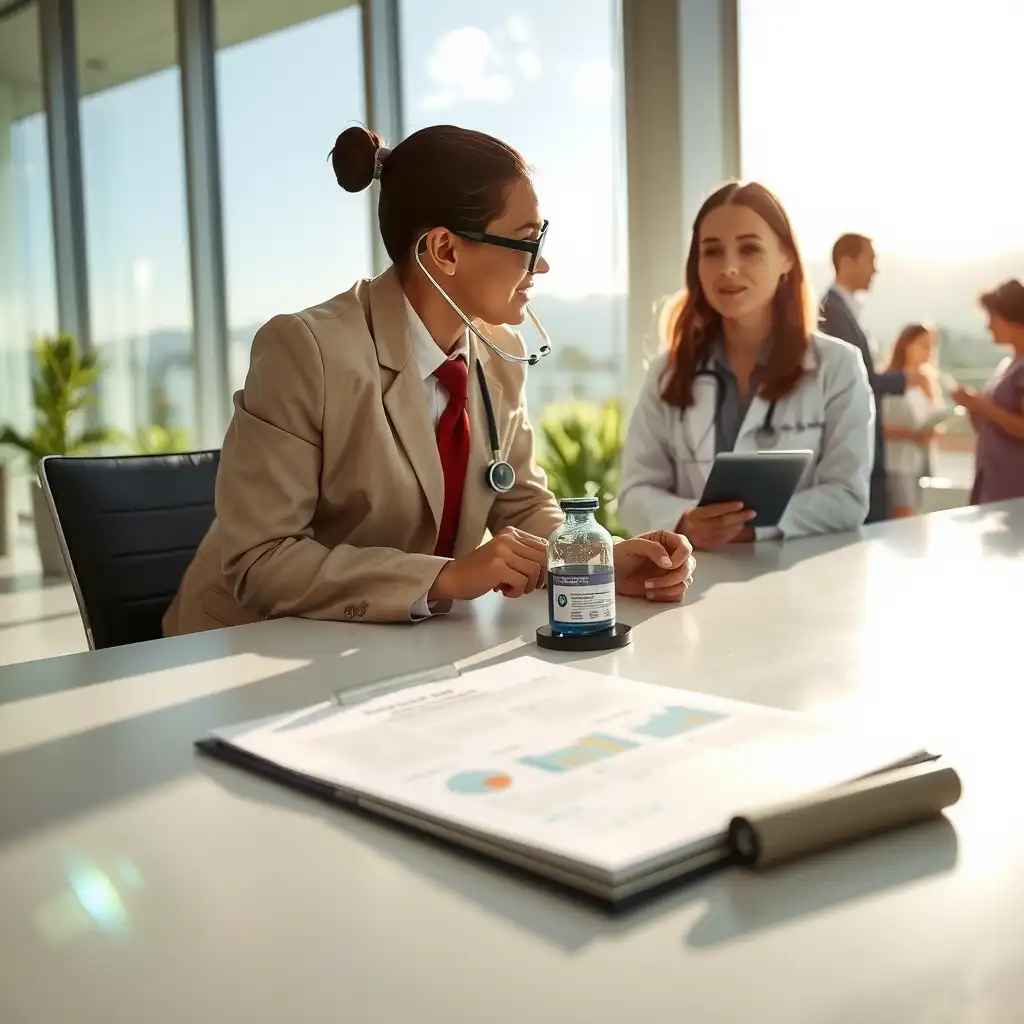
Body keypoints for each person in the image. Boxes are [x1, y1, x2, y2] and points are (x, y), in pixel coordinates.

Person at [163, 124, 695, 636]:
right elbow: (261, 560)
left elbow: (522, 501)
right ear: (444, 250)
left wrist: (592, 561)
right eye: (527, 241)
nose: (543, 264)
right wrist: (444, 577)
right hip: (247, 652)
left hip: (390, 648)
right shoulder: (306, 352)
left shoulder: (499, 352)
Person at [617, 181, 874, 549]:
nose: (730, 269)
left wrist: (752, 526)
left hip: (796, 583)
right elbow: (633, 494)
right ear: (697, 266)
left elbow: (848, 498)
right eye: (713, 252)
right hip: (692, 582)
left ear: (786, 258)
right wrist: (685, 521)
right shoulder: (668, 372)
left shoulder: (837, 366)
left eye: (749, 249)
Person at [819, 234, 929, 522]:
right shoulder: (832, 312)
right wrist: (903, 380)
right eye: (871, 261)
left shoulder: (847, 310)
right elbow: (854, 381)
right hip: (848, 445)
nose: (875, 270)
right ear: (847, 262)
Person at [947, 279, 1024, 506]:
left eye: (992, 318)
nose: (988, 326)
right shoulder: (1008, 364)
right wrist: (973, 408)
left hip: (1014, 488)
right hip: (993, 482)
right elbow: (992, 426)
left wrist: (983, 406)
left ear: (1011, 318)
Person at [880, 323, 948, 517]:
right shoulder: (887, 380)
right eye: (923, 345)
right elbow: (878, 425)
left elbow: (934, 416)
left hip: (923, 462)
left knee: (924, 518)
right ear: (905, 345)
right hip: (897, 464)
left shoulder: (928, 381)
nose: (928, 352)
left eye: (931, 346)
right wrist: (910, 435)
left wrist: (933, 430)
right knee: (904, 520)